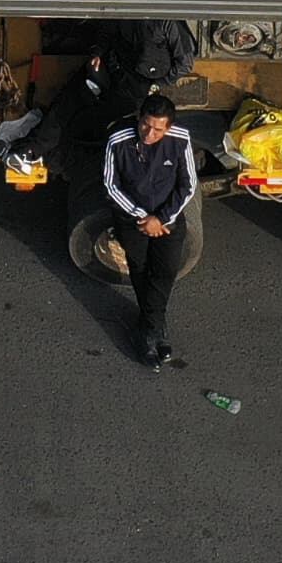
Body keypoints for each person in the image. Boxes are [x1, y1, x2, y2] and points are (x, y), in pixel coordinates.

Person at [100, 93, 199, 370]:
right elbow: (111, 185)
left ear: (168, 127)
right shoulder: (118, 140)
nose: (149, 132)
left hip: (168, 221)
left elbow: (188, 184)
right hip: (133, 220)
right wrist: (144, 218)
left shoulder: (180, 139)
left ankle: (149, 328)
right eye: (146, 124)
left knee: (165, 271)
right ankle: (153, 332)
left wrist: (163, 218)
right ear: (139, 118)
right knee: (141, 271)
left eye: (158, 128)